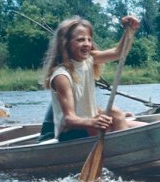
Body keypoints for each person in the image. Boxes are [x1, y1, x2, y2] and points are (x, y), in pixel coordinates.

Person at [41, 14, 144, 142]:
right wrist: (94, 122)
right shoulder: (62, 76)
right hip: (72, 133)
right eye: (80, 40)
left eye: (89, 39)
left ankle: (125, 145)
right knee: (116, 115)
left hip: (89, 125)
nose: (87, 44)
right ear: (65, 43)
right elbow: (70, 119)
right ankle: (124, 153)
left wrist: (129, 31)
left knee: (140, 126)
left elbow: (119, 53)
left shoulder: (89, 60)